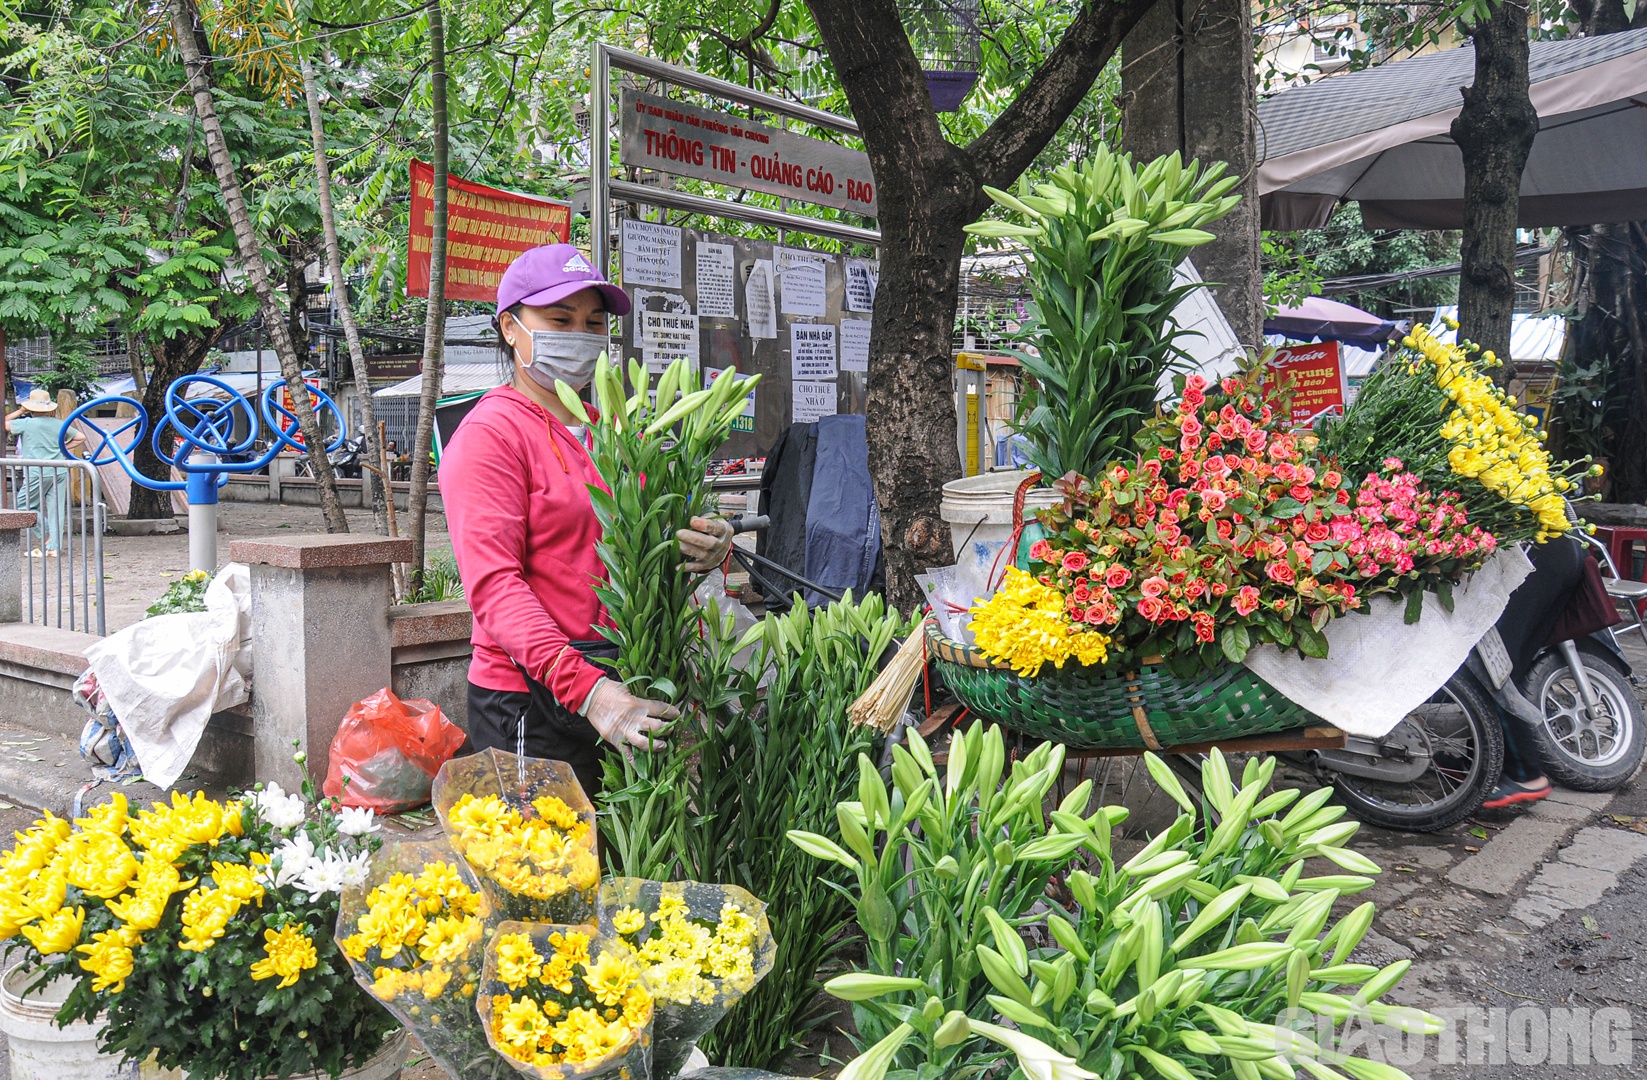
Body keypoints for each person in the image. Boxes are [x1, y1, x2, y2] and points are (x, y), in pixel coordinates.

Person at [439, 244, 733, 797]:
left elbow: (649, 539)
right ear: (510, 328)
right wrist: (591, 694)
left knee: (618, 870)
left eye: (593, 323)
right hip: (533, 699)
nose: (579, 334)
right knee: (544, 874)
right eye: (559, 319)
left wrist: (710, 545)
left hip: (626, 685)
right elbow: (496, 588)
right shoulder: (490, 436)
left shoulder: (616, 431)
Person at [5, 388, 85, 556]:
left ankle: (47, 534)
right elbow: (80, 437)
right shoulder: (59, 423)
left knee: (23, 505)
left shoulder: (26, 423)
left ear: (30, 408)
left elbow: (4, 423)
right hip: (59, 468)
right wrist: (62, 449)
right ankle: (54, 546)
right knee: (56, 508)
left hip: (36, 470)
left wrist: (20, 411)